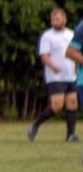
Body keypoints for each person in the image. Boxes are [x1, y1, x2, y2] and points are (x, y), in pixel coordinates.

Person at [31, 8, 78, 142]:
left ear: (64, 19)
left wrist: (75, 69)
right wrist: (53, 67)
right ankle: (35, 125)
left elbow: (75, 52)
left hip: (70, 75)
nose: (54, 22)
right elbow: (44, 56)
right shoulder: (47, 36)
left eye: (57, 19)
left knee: (72, 103)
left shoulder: (71, 34)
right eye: (52, 19)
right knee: (57, 105)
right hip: (55, 76)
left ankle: (70, 135)